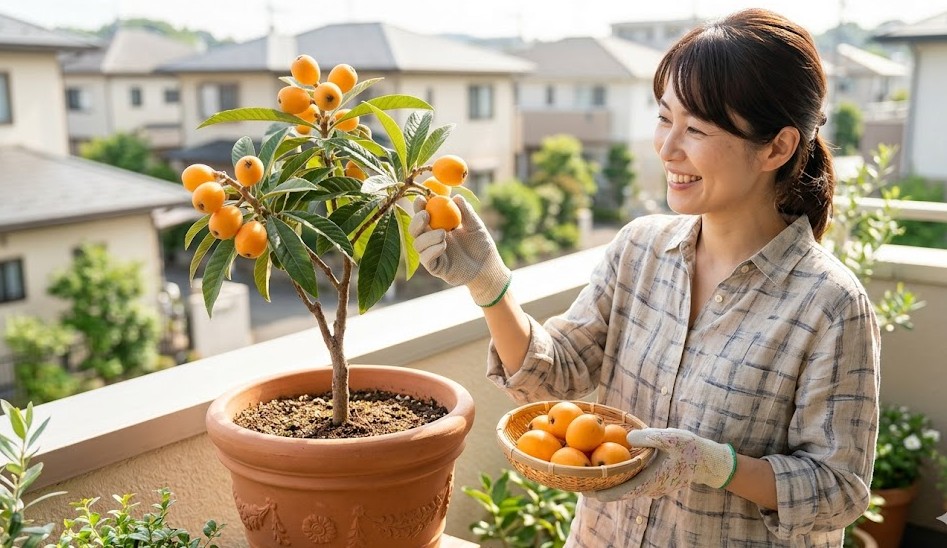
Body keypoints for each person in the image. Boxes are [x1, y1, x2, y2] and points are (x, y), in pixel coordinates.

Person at [409, 8, 880, 546]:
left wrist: (717, 466)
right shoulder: (641, 249)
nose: (667, 147)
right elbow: (553, 374)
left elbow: (839, 491)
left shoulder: (830, 304)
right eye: (664, 118)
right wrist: (488, 282)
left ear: (777, 147)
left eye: (696, 128)